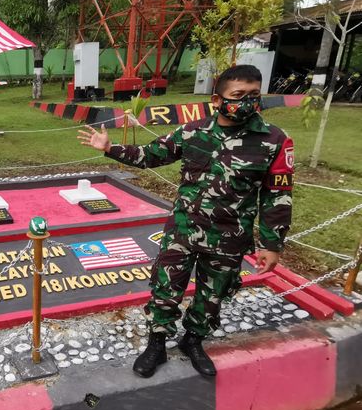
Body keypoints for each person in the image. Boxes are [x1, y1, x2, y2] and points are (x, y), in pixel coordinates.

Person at [77, 65, 294, 378]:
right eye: (238, 95)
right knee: (166, 288)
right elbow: (154, 154)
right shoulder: (193, 132)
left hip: (229, 237)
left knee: (213, 294)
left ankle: (194, 340)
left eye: (253, 95)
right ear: (218, 100)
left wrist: (273, 244)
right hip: (183, 229)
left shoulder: (274, 140)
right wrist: (111, 148)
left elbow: (277, 196)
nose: (246, 102)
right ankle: (157, 343)